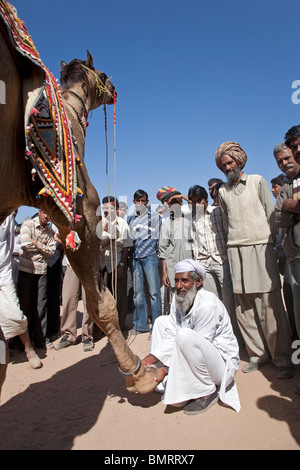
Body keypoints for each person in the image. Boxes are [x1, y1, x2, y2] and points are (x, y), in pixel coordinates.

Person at [215, 141, 292, 377]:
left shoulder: (258, 181)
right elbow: (227, 224)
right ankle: (257, 355)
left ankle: (282, 360)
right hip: (235, 249)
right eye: (224, 164)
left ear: (239, 161)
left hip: (261, 246)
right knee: (244, 306)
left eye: (231, 162)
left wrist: (273, 247)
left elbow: (272, 216)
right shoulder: (222, 191)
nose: (228, 167)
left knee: (269, 304)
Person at [141, 259, 240, 415]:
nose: (179, 286)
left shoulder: (208, 305)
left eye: (185, 281)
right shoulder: (179, 297)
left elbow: (195, 344)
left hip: (218, 363)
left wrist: (166, 369)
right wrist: (148, 361)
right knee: (161, 322)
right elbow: (173, 331)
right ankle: (161, 377)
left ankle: (207, 391)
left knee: (185, 334)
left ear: (198, 281)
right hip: (193, 354)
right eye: (177, 280)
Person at [187, 184, 242, 347]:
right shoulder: (192, 219)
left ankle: (236, 337)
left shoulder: (217, 212)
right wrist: (197, 262)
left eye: (200, 200)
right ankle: (220, 338)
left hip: (220, 260)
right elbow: (194, 242)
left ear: (206, 199)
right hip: (204, 264)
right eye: (194, 202)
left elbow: (226, 232)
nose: (197, 204)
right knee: (213, 302)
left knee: (229, 301)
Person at [0, 213, 42, 369]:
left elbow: (9, 246)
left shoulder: (8, 217)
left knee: (16, 314)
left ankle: (28, 349)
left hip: (3, 273)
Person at [18, 209, 56, 349]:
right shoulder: (27, 225)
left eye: (49, 214)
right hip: (26, 269)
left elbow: (52, 251)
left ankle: (41, 339)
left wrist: (37, 244)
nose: (47, 216)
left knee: (41, 305)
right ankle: (22, 342)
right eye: (45, 212)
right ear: (40, 212)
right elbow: (26, 246)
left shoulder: (50, 232)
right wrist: (43, 249)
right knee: (25, 305)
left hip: (41, 271)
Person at [275, 133, 300, 342]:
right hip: (294, 254)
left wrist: (291, 206)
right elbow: (279, 218)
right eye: (279, 162)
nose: (284, 163)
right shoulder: (286, 187)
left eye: (287, 158)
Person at [127, 189, 162, 334]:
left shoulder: (154, 217)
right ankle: (140, 325)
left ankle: (158, 326)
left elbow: (160, 237)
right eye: (138, 201)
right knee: (138, 293)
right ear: (134, 202)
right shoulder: (130, 219)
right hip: (135, 258)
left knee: (154, 293)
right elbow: (128, 240)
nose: (141, 203)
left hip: (151, 257)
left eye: (143, 201)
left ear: (147, 202)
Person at [100, 196, 133, 331]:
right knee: (103, 299)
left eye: (111, 208)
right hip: (101, 265)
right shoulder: (98, 223)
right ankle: (104, 328)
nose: (108, 210)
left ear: (117, 209)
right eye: (105, 208)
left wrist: (121, 265)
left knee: (119, 298)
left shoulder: (122, 223)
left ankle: (119, 326)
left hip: (116, 263)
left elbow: (126, 246)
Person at [158, 189, 193, 313]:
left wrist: (182, 196)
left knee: (191, 294)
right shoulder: (166, 224)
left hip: (189, 264)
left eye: (178, 202)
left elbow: (197, 205)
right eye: (172, 203)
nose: (175, 205)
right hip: (173, 266)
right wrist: (165, 272)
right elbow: (163, 250)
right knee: (175, 297)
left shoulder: (189, 219)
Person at [55, 256, 94, 351]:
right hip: (71, 263)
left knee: (88, 300)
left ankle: (87, 335)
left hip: (88, 263)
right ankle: (68, 334)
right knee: (68, 298)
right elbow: (57, 240)